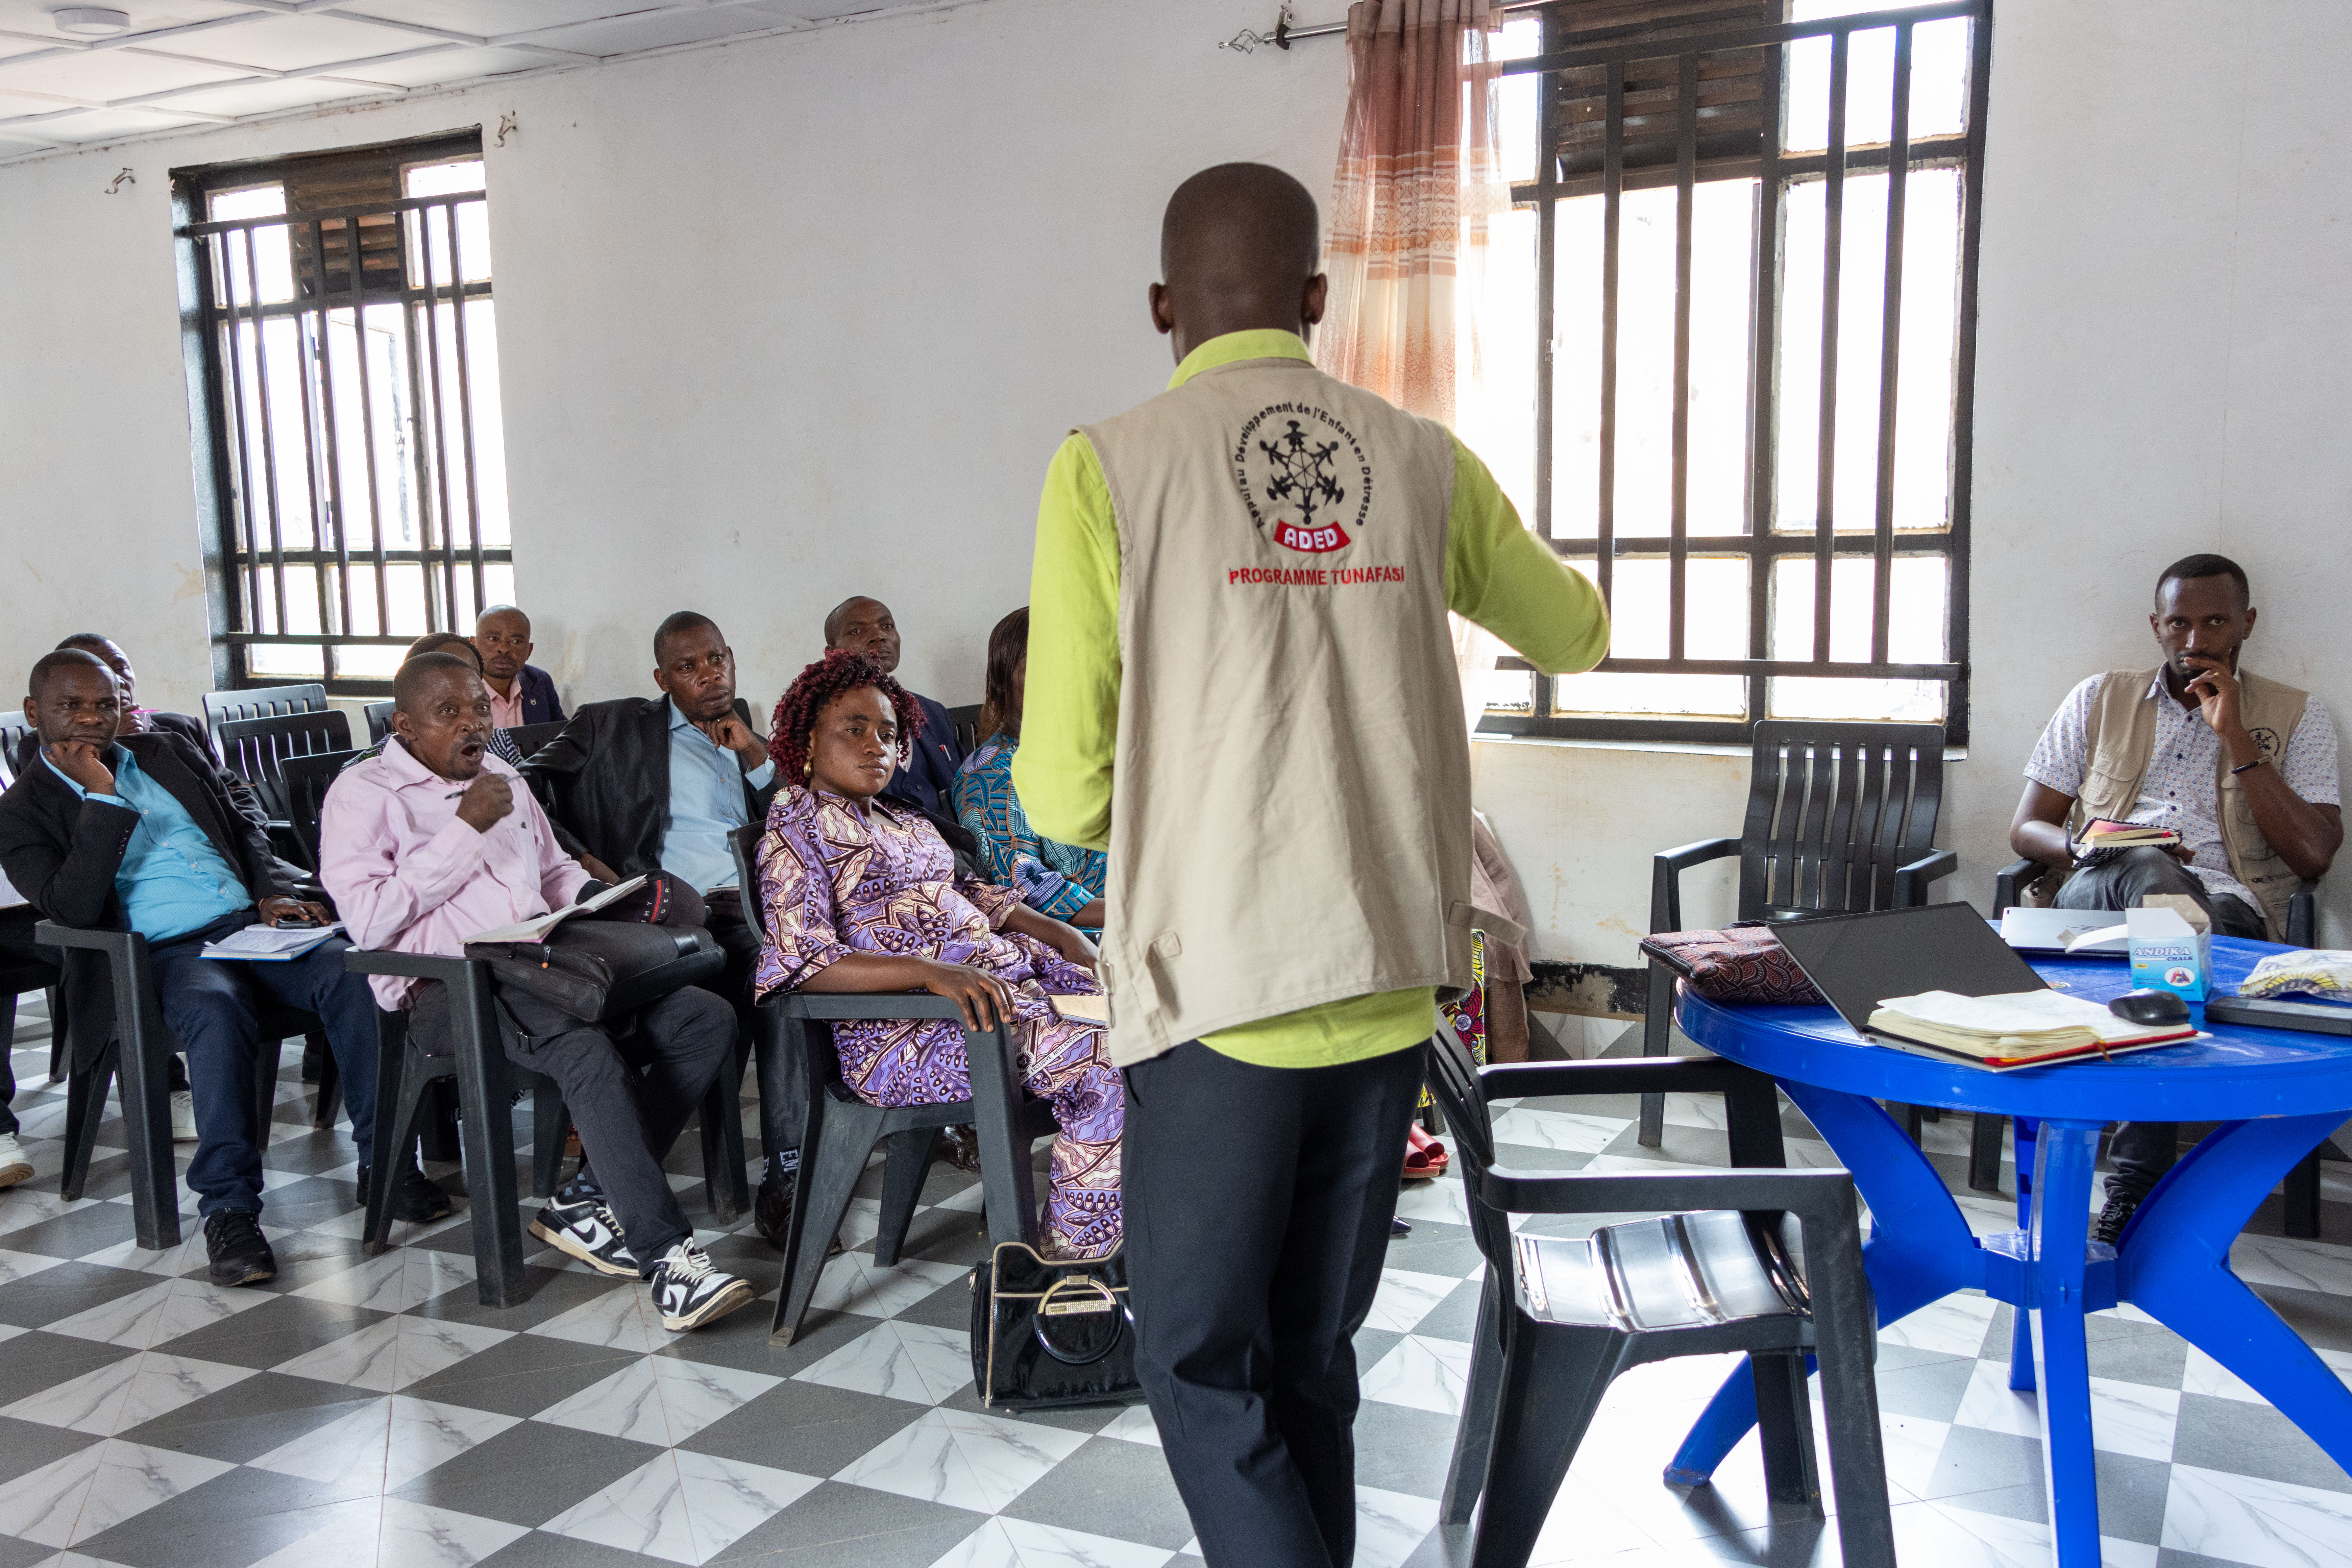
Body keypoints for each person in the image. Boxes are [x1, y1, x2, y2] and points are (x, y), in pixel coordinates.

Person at [1015, 163, 1610, 1566]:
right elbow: (1575, 632)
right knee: (1309, 1357)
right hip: (1394, 985)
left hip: (1220, 989)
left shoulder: (1109, 462)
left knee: (1201, 1364)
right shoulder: (1423, 459)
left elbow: (1059, 782)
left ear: (1163, 305)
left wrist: (1199, 804)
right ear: (1318, 302)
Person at [319, 652, 755, 1331]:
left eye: (479, 708)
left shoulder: (503, 777)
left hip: (544, 963)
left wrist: (612, 902)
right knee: (585, 1051)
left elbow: (553, 873)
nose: (473, 724)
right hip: (449, 989)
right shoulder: (363, 794)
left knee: (703, 1016)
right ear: (405, 725)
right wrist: (464, 829)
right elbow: (369, 921)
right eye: (449, 713)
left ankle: (588, 1199)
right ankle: (668, 1259)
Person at [0, 650, 435, 1287]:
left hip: (250, 927)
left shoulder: (161, 754)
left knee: (355, 971)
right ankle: (230, 1210)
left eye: (105, 704)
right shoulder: (21, 813)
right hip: (160, 954)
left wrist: (266, 891)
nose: (93, 719)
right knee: (215, 1009)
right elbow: (72, 906)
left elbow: (240, 830)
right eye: (72, 706)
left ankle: (386, 1163)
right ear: (35, 712)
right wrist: (101, 799)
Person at [2010, 552, 2341, 1243]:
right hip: (2100, 887)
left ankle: (2134, 1181)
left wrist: (2236, 737)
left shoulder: (2298, 716)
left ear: (2246, 624)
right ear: (2157, 626)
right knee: (2154, 880)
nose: (2196, 641)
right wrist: (2091, 845)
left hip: (2224, 910)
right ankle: (2144, 1182)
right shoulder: (2098, 697)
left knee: (2185, 920)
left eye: (2215, 621)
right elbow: (2026, 827)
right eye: (2180, 623)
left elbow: (2314, 854)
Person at [752, 649, 1121, 1259]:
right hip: (903, 1033)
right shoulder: (797, 829)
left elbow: (970, 890)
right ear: (808, 739)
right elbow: (805, 958)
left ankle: (1129, 1235)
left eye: (890, 734)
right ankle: (1073, 1263)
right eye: (856, 729)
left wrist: (1062, 933)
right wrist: (931, 972)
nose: (878, 746)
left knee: (1151, 1030)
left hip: (992, 1002)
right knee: (1104, 1054)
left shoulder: (905, 821)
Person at [519, 612, 792, 1238]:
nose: (709, 674)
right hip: (679, 912)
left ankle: (789, 1170)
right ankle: (789, 1175)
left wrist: (752, 749)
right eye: (688, 667)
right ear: (662, 677)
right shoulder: (611, 724)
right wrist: (585, 861)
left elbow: (799, 814)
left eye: (717, 659)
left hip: (755, 904)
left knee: (795, 963)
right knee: (780, 970)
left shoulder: (744, 734)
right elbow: (526, 786)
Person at [952, 608, 1106, 929]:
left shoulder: (1091, 751)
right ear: (1002, 678)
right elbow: (1027, 891)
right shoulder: (990, 775)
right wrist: (1155, 911)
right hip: (1098, 934)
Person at [824, 596, 964, 813]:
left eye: (887, 626)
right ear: (832, 652)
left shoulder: (932, 712)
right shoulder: (826, 718)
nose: (878, 637)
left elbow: (964, 789)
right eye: (856, 631)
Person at [401, 634, 525, 766]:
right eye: (448, 711)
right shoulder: (384, 760)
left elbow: (525, 781)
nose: (473, 726)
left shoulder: (499, 739)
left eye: (472, 676)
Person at [472, 605, 565, 730]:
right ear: (473, 644)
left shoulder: (539, 682)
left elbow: (564, 739)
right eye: (493, 639)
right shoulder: (456, 690)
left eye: (516, 642)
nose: (504, 649)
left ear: (529, 651)